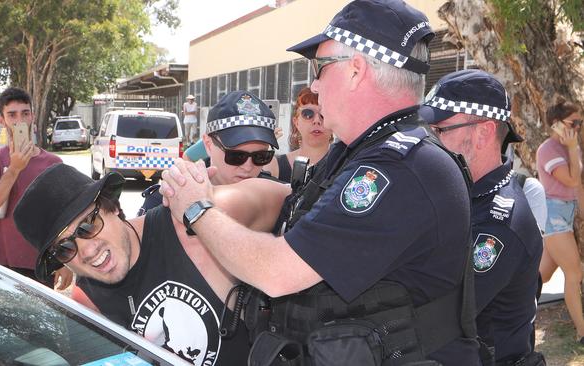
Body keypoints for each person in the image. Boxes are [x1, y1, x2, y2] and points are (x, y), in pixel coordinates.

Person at [160, 1, 479, 364]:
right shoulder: (364, 150)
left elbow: (276, 272)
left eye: (320, 67)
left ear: (356, 70)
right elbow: (294, 205)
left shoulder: (397, 168)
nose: (314, 83)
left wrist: (197, 208)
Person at [13, 163, 288, 365]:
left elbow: (295, 201)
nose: (86, 249)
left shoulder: (190, 224)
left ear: (113, 206)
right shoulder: (87, 303)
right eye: (64, 248)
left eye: (88, 225)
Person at [420, 69, 545, 365]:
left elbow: (441, 311)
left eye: (440, 130)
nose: (428, 140)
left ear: (483, 133)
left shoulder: (502, 220)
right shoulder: (462, 194)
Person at [0, 87, 71, 290]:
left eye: (25, 113)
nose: (19, 120)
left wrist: (63, 259)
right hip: (1, 263)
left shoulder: (53, 162)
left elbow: (61, 217)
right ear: (1, 120)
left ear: (33, 117)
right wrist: (14, 169)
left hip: (40, 265)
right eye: (12, 114)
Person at [139, 90, 278, 213]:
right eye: (236, 156)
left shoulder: (279, 200)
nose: (248, 167)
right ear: (208, 144)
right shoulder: (170, 198)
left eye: (261, 156)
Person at [536, 97, 584, 342]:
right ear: (556, 123)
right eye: (573, 123)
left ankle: (506, 308)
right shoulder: (548, 150)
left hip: (566, 213)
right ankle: (581, 332)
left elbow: (579, 188)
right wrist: (574, 148)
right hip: (554, 216)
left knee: (538, 277)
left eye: (580, 123)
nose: (577, 128)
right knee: (574, 273)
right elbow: (572, 181)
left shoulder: (569, 147)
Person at [265, 87, 333, 182]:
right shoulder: (274, 166)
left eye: (324, 114)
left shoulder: (348, 164)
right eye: (308, 114)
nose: (317, 120)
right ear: (296, 122)